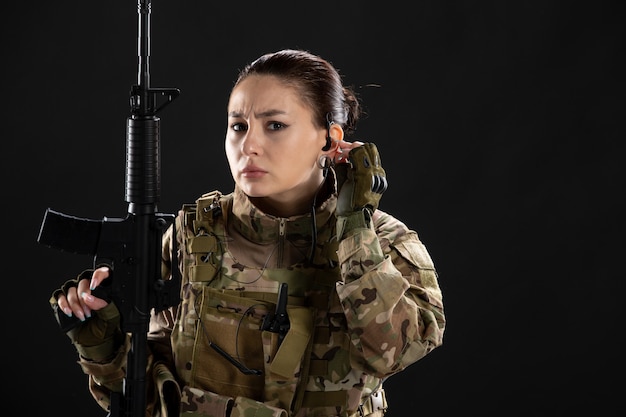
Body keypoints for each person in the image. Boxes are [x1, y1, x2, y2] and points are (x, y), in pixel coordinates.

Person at [49, 49, 446, 417]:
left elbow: (394, 353)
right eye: (238, 126)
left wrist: (355, 228)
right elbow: (148, 395)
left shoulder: (383, 240)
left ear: (330, 139)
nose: (249, 145)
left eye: (275, 125)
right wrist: (104, 349)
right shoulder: (192, 234)